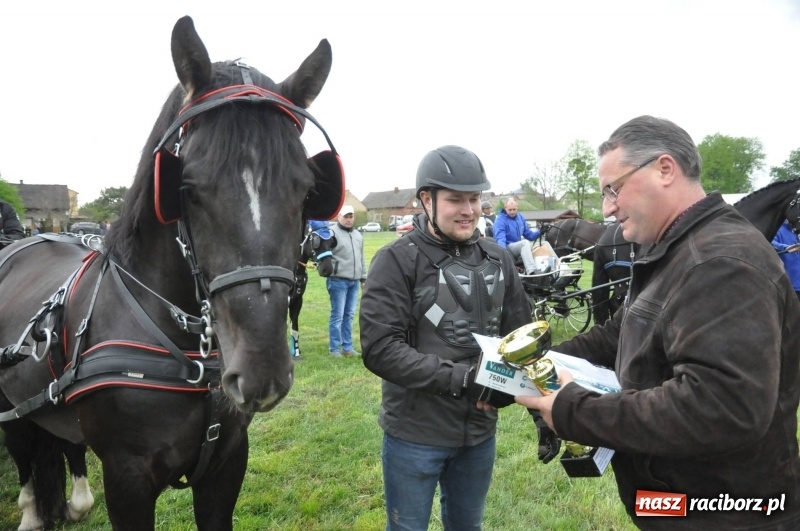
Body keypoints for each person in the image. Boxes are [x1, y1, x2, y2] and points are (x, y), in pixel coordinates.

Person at [517, 116, 800, 529]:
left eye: (614, 189)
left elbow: (721, 407)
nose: (608, 207)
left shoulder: (720, 263)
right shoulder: (677, 248)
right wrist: (527, 364)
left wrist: (575, 411)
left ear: (665, 169)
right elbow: (625, 331)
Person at [360, 145, 547, 531]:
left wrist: (542, 412)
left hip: (478, 436)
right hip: (415, 435)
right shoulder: (397, 260)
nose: (469, 210)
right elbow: (381, 349)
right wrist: (466, 379)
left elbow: (522, 337)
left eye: (475, 198)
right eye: (455, 199)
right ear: (426, 200)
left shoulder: (498, 258)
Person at [327, 205, 367, 357]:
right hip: (338, 280)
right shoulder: (331, 233)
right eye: (346, 216)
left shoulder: (358, 235)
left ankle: (347, 348)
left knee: (349, 315)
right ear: (339, 217)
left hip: (354, 281)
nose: (349, 219)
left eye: (351, 216)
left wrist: (364, 277)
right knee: (337, 315)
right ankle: (334, 349)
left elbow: (361, 258)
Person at [492, 198, 540, 274]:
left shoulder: (520, 218)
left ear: (517, 207)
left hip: (518, 247)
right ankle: (532, 271)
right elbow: (500, 239)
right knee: (524, 243)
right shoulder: (500, 220)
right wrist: (503, 254)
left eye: (514, 209)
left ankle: (558, 270)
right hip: (508, 248)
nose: (512, 212)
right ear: (505, 208)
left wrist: (540, 232)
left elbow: (529, 235)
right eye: (510, 210)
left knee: (544, 244)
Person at [771, 220, 800, 301]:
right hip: (790, 285)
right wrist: (785, 247)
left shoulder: (795, 230)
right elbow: (769, 242)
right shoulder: (777, 229)